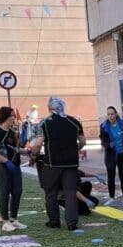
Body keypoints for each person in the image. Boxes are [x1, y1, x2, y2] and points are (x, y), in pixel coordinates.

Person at [30, 96, 86, 230]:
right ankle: (72, 223)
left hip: (52, 164)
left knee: (51, 193)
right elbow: (83, 142)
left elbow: (38, 144)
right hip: (71, 163)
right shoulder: (74, 121)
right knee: (71, 193)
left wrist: (34, 155)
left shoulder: (44, 123)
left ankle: (54, 221)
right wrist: (74, 150)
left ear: (50, 108)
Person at [0, 106, 26, 232]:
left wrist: (28, 151)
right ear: (5, 117)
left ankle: (14, 219)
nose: (14, 118)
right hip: (2, 166)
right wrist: (6, 161)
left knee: (17, 191)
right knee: (5, 192)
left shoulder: (12, 132)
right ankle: (5, 221)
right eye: (12, 116)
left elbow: (15, 149)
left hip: (15, 165)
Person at [99, 106, 123, 204]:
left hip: (122, 154)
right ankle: (111, 197)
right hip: (111, 156)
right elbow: (103, 142)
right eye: (108, 114)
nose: (110, 116)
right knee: (111, 177)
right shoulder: (104, 126)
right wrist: (109, 145)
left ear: (116, 114)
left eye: (112, 114)